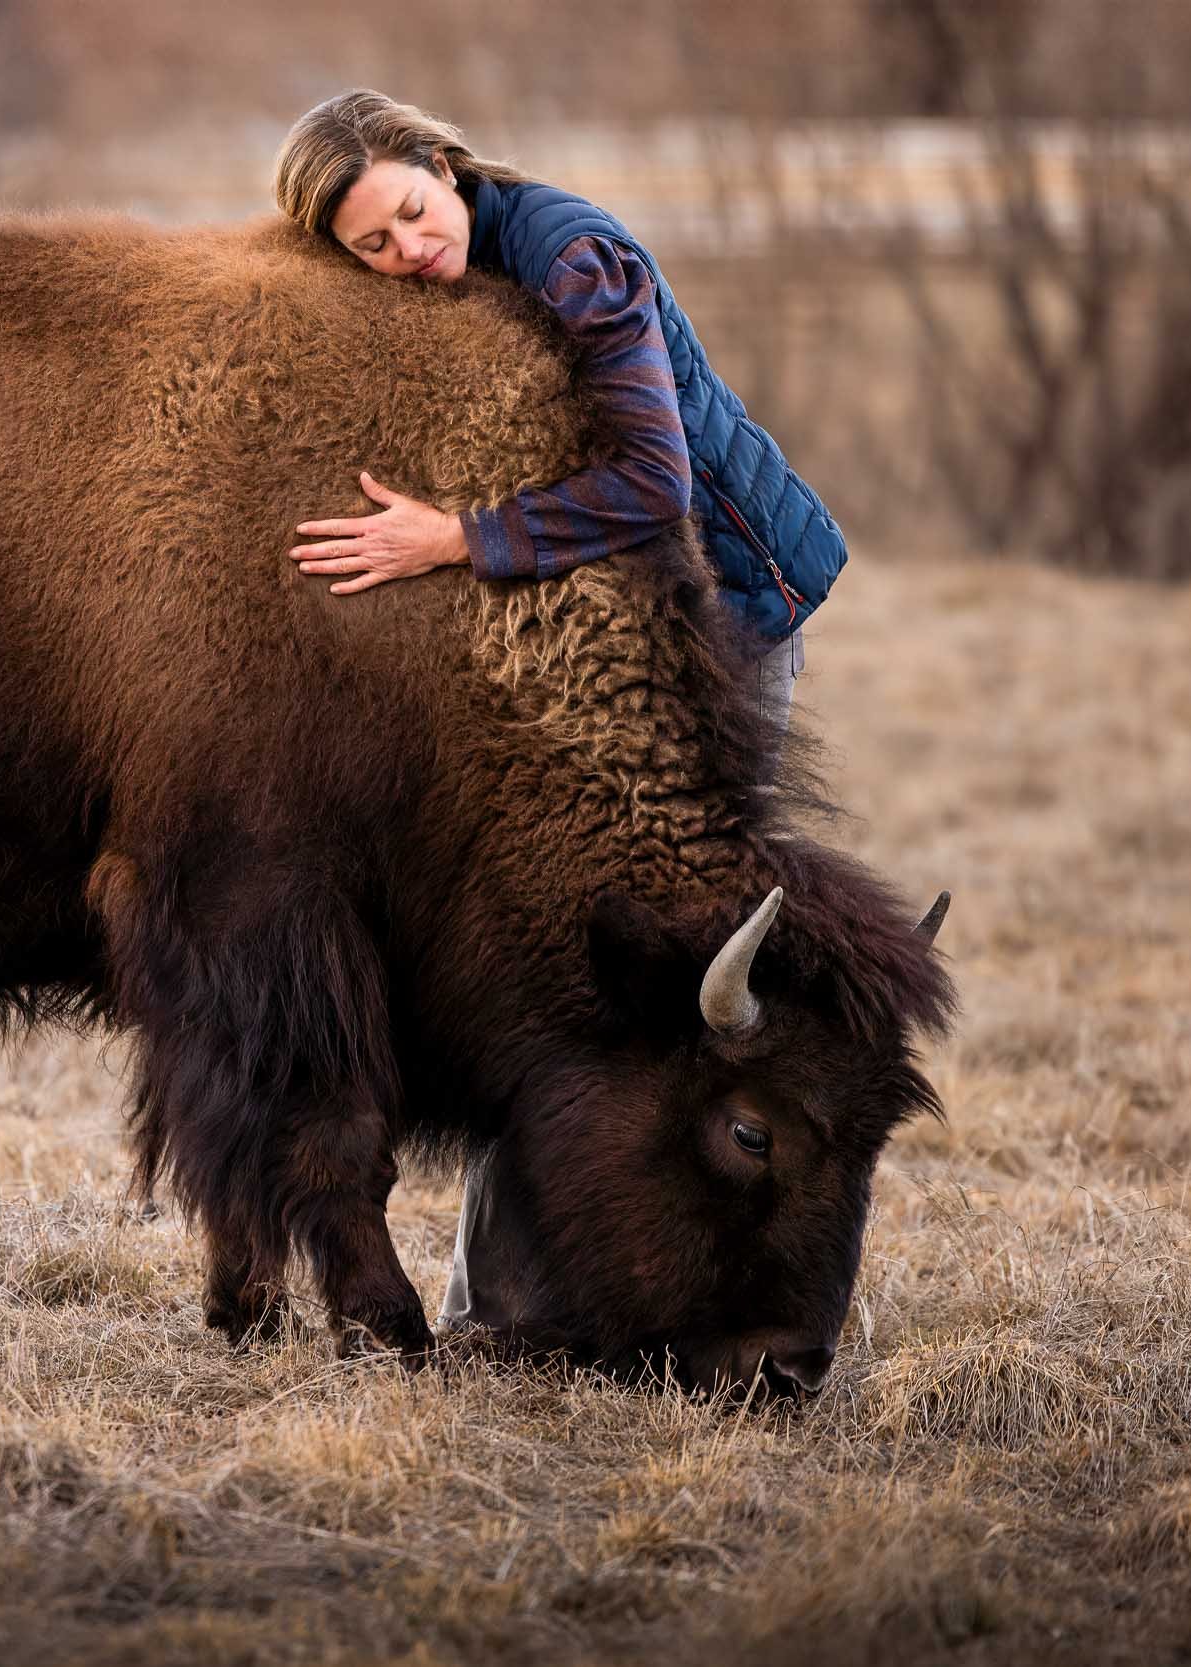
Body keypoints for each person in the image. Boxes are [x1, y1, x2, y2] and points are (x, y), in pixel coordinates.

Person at [271, 89, 849, 1334]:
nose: (409, 255)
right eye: (372, 248)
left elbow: (652, 482)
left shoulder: (575, 258)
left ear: (441, 163)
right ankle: (536, 1298)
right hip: (630, 617)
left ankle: (564, 1298)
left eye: (413, 217)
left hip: (737, 608)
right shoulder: (460, 263)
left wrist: (455, 538)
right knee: (557, 949)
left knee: (617, 972)